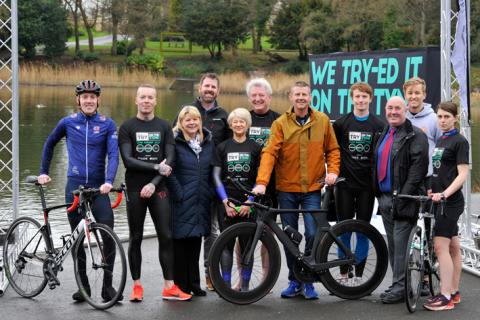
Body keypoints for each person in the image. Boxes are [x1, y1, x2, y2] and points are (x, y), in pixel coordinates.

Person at [253, 81, 340, 300]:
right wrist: (262, 182)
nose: (301, 98)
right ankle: (294, 280)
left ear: (310, 97)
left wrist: (333, 172)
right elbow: (269, 152)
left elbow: (333, 150)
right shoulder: (281, 123)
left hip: (312, 187)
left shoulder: (322, 121)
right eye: (297, 94)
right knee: (288, 238)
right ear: (290, 97)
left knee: (312, 233)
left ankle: (309, 280)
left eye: (304, 94)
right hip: (287, 189)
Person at [38, 79, 121, 302]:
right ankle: (83, 287)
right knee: (76, 240)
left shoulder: (107, 124)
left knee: (108, 234)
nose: (89, 100)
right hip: (73, 187)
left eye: (92, 97)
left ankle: (107, 287)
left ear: (98, 100)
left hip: (98, 188)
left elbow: (114, 155)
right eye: (85, 97)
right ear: (78, 100)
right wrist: (44, 171)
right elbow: (49, 143)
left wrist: (108, 180)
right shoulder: (67, 122)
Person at [118, 84, 191, 302]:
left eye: (151, 97)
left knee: (166, 236)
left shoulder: (164, 126)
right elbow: (128, 160)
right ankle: (137, 286)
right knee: (136, 237)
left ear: (156, 101)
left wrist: (155, 181)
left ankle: (169, 286)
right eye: (143, 97)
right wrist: (154, 168)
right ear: (136, 100)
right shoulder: (127, 127)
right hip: (134, 188)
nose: (147, 101)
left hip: (159, 188)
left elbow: (170, 159)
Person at [373, 96, 429, 304]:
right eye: (389, 108)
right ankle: (400, 283)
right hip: (385, 198)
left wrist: (404, 196)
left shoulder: (415, 136)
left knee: (400, 243)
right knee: (394, 246)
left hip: (404, 198)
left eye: (397, 108)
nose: (393, 112)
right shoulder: (386, 132)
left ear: (405, 109)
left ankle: (400, 287)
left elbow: (417, 171)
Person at [332, 82, 385, 281]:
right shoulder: (341, 123)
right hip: (344, 184)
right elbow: (333, 152)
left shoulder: (379, 125)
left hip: (366, 187)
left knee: (363, 231)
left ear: (371, 99)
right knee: (343, 229)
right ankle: (344, 273)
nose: (361, 100)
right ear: (352, 98)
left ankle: (360, 276)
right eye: (357, 97)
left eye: (364, 97)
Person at [185, 72, 231, 291]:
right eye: (206, 86)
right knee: (192, 229)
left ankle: (210, 274)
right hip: (191, 180)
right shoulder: (188, 112)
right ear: (199, 88)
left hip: (215, 182)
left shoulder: (224, 116)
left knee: (212, 232)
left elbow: (231, 148)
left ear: (218, 91)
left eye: (213, 87)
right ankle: (188, 278)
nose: (209, 90)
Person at [423, 102, 469, 311]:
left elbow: (462, 174)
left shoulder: (459, 141)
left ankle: (445, 296)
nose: (442, 120)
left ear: (455, 118)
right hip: (439, 199)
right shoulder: (442, 138)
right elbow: (441, 171)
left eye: (446, 117)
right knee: (453, 247)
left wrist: (444, 194)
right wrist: (433, 190)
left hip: (450, 203)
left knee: (440, 246)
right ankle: (454, 292)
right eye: (439, 117)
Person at [212, 108, 262, 291]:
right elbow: (216, 177)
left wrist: (249, 201)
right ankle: (225, 286)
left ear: (247, 124)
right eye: (235, 121)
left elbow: (260, 178)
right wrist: (225, 202)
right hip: (227, 203)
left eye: (242, 121)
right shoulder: (222, 147)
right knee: (226, 245)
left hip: (248, 203)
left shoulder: (256, 148)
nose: (239, 124)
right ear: (231, 125)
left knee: (247, 246)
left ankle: (245, 286)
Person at [168, 106, 215, 297]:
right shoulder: (174, 141)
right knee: (180, 243)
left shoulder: (208, 142)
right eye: (187, 120)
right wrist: (178, 192)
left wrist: (210, 191)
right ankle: (181, 285)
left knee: (195, 242)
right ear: (181, 122)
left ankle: (195, 284)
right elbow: (168, 170)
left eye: (195, 119)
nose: (192, 123)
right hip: (181, 199)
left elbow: (213, 169)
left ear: (200, 121)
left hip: (201, 199)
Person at [403, 76, 442, 295]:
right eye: (410, 93)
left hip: (428, 180)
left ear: (424, 95)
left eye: (417, 93)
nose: (414, 96)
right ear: (405, 95)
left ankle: (427, 276)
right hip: (407, 180)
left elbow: (441, 149)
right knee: (409, 229)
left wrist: (436, 178)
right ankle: (407, 275)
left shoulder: (434, 119)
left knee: (427, 229)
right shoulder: (400, 116)